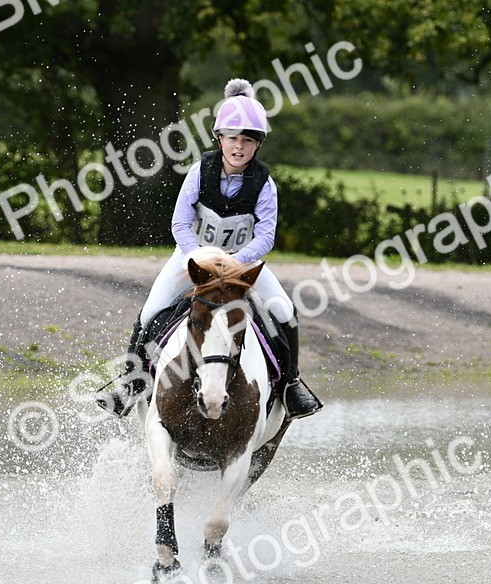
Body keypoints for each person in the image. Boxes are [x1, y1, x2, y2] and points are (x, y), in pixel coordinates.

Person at [95, 78, 323, 420]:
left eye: (248, 140)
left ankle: (290, 386)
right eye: (233, 138)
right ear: (220, 138)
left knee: (286, 313)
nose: (239, 147)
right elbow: (179, 225)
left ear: (257, 145)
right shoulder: (200, 172)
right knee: (149, 313)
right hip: (192, 259)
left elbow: (266, 237)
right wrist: (198, 257)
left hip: (241, 265)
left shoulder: (265, 184)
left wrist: (235, 263)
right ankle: (130, 384)